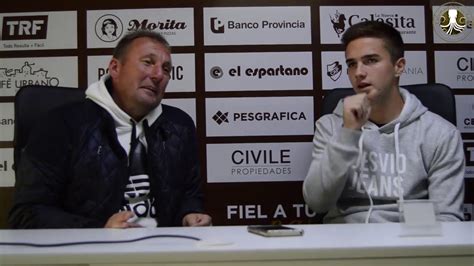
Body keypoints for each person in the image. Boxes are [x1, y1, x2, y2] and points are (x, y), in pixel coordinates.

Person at [9, 30, 212, 228]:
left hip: (163, 253)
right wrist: (100, 229)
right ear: (115, 68)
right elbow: (27, 213)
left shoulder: (179, 125)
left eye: (166, 69)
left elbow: (189, 195)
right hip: (91, 256)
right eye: (148, 62)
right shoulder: (61, 124)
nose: (159, 74)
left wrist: (190, 213)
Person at [303, 21, 465, 223]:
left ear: (399, 66)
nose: (359, 72)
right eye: (352, 64)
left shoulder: (439, 133)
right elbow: (317, 203)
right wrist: (348, 133)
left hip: (412, 242)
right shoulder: (330, 126)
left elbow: (446, 218)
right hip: (345, 242)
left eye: (370, 60)